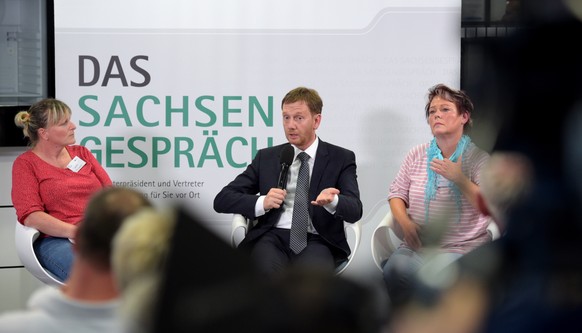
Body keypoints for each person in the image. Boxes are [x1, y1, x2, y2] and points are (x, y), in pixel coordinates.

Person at [214, 86, 363, 276]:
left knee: (308, 289)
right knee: (264, 279)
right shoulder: (267, 157)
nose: (290, 125)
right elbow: (222, 199)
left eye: (299, 118)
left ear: (316, 121)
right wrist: (262, 202)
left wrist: (333, 201)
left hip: (317, 240)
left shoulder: (340, 158)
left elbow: (355, 209)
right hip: (271, 237)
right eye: (286, 117)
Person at [382, 83, 490, 310]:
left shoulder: (478, 158)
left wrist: (459, 179)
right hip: (417, 246)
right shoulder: (416, 154)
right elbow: (396, 193)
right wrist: (405, 223)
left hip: (461, 248)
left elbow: (489, 206)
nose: (437, 115)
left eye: (445, 109)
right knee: (395, 270)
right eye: (432, 111)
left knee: (438, 282)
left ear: (464, 117)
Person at [0, 186, 153, 333]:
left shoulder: (10, 328)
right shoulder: (161, 325)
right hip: (54, 237)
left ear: (79, 239)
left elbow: (107, 188)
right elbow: (30, 215)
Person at [11, 98, 112, 282]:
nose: (73, 126)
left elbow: (110, 195)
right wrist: (77, 232)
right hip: (56, 240)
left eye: (70, 120)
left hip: (98, 233)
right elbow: (31, 215)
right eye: (64, 123)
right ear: (44, 133)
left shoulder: (82, 153)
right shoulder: (26, 164)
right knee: (93, 279)